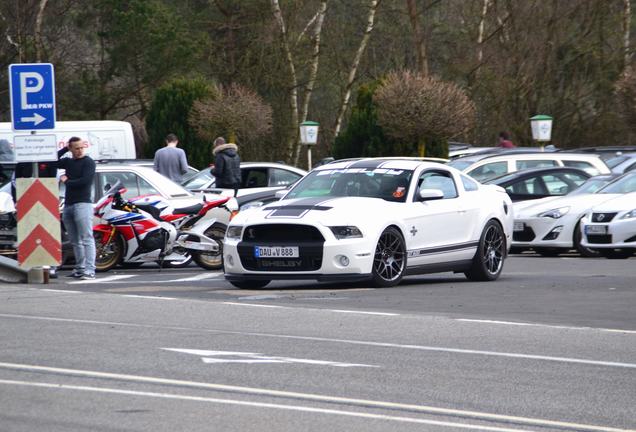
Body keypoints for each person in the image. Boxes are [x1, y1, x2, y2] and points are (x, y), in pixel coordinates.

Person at [11, 159, 62, 278]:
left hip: (46, 202)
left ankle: (51, 266)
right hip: (27, 204)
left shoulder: (49, 162)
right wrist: (16, 200)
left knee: (49, 232)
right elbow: (15, 182)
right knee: (28, 233)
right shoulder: (22, 163)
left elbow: (55, 181)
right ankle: (30, 264)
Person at [58, 137, 97, 280]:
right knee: (75, 240)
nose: (80, 150)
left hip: (83, 204)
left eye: (82, 147)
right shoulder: (68, 162)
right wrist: (64, 149)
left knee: (87, 237)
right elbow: (51, 161)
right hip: (68, 204)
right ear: (71, 149)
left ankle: (90, 269)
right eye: (76, 148)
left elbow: (84, 182)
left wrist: (67, 181)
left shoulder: (88, 162)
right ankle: (80, 268)